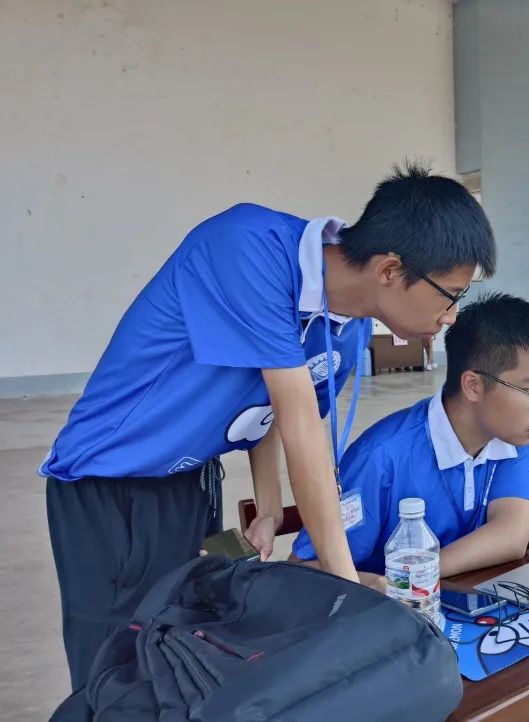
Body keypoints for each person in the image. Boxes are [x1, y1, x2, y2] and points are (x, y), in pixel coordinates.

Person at [39, 162, 496, 695]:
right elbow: (301, 425)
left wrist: (270, 505)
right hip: (111, 482)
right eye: (451, 294)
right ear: (391, 270)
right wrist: (348, 590)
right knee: (111, 667)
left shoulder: (345, 329)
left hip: (191, 480)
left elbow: (277, 410)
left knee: (178, 648)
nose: (451, 315)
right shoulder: (248, 247)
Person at [292, 294, 529, 579]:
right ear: (473, 385)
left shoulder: (511, 436)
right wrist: (391, 588)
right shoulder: (380, 458)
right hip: (384, 606)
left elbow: (511, 534)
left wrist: (411, 579)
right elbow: (303, 571)